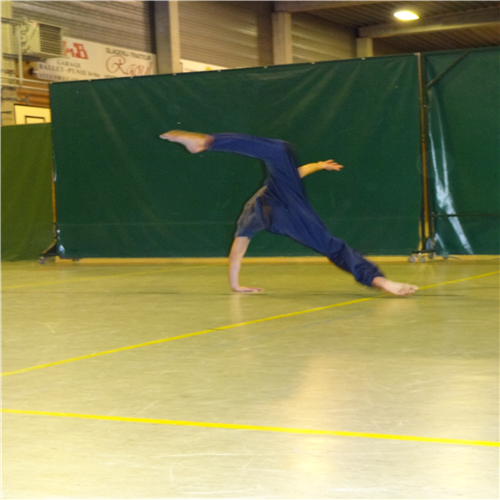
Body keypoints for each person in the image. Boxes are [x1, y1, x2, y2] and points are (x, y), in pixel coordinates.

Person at [160, 130, 418, 296]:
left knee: (331, 245)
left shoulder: (248, 218)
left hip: (284, 215)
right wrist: (319, 165)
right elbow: (297, 173)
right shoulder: (265, 198)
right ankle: (208, 142)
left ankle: (380, 282)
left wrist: (235, 285)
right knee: (281, 152)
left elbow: (236, 253)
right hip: (286, 209)